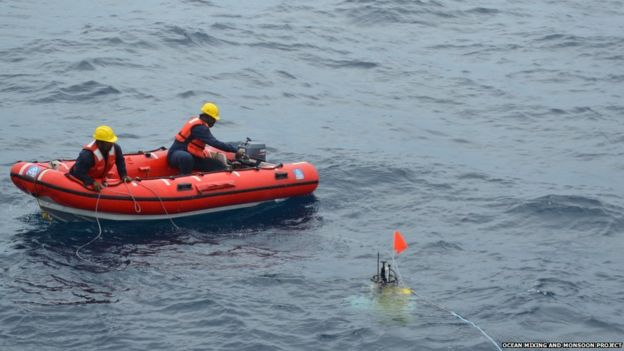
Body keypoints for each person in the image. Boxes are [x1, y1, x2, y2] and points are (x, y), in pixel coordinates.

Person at [168, 102, 244, 175]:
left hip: (191, 155)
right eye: (213, 119)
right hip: (177, 155)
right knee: (186, 158)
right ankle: (183, 178)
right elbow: (214, 143)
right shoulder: (200, 128)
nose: (214, 122)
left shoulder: (199, 123)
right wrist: (235, 150)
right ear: (207, 117)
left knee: (219, 166)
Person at [69, 125, 132, 191]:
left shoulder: (115, 148)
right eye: (108, 142)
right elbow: (78, 172)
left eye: (112, 142)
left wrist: (123, 175)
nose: (111, 144)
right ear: (99, 142)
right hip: (82, 178)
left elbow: (120, 161)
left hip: (100, 177)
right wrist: (92, 182)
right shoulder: (87, 155)